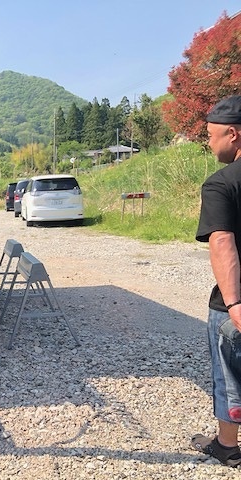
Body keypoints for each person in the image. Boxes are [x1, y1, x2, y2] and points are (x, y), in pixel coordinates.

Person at [193, 95, 241, 468]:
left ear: (233, 134)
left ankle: (227, 445)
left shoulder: (221, 184)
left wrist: (235, 303)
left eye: (212, 135)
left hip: (233, 305)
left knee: (230, 376)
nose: (209, 143)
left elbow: (222, 241)